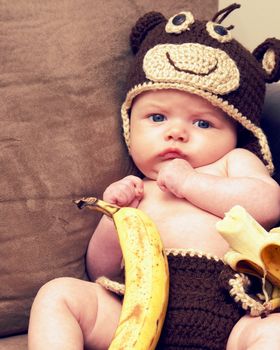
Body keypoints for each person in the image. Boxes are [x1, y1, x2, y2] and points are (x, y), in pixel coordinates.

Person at [28, 4, 280, 350]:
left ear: (238, 132)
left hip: (233, 313)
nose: (176, 132)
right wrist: (115, 217)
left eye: (203, 123)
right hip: (135, 311)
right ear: (131, 125)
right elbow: (99, 268)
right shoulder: (137, 191)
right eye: (157, 117)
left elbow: (268, 204)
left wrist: (192, 184)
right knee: (58, 295)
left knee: (274, 333)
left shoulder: (231, 164)